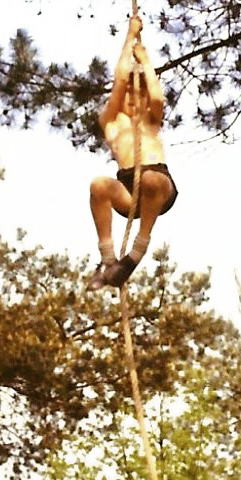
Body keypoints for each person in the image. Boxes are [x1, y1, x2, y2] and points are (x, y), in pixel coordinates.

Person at [88, 15, 178, 289]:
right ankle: (108, 259)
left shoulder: (149, 121)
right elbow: (119, 82)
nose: (131, 97)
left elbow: (157, 97)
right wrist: (129, 37)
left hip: (158, 181)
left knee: (150, 180)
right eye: (127, 93)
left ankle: (137, 250)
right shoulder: (112, 122)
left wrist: (145, 60)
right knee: (99, 185)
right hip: (128, 187)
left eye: (135, 94)